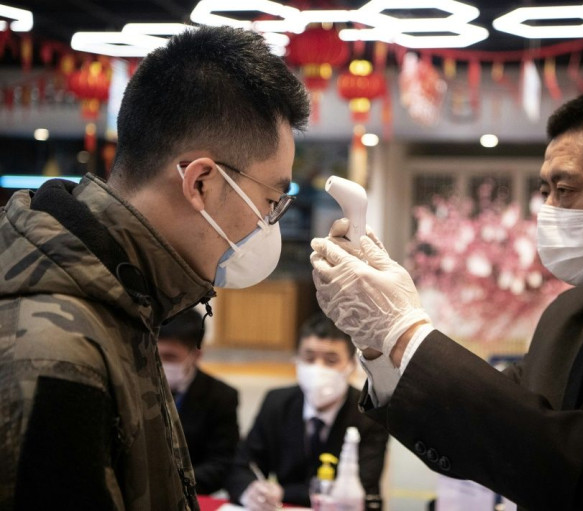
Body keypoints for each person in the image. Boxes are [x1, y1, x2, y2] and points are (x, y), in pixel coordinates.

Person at [310, 84, 583, 510]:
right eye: (545, 190)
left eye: (565, 190)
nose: (547, 209)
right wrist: (376, 341)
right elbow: (493, 438)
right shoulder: (572, 313)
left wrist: (404, 331)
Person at [0, 26, 309, 510]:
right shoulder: (55, 351)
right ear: (201, 182)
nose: (268, 223)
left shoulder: (125, 296)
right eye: (270, 200)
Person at [225, 312, 389, 510]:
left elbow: (362, 485)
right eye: (309, 358)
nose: (317, 369)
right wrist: (251, 490)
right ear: (297, 359)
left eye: (330, 360)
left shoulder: (370, 414)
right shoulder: (277, 403)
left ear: (351, 366)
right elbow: (242, 465)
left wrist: (284, 492)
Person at [158, 308, 239, 495]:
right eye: (155, 355)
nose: (159, 365)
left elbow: (222, 463)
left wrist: (173, 484)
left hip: (191, 493)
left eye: (170, 357)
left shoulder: (221, 396)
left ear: (196, 355)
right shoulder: (134, 387)